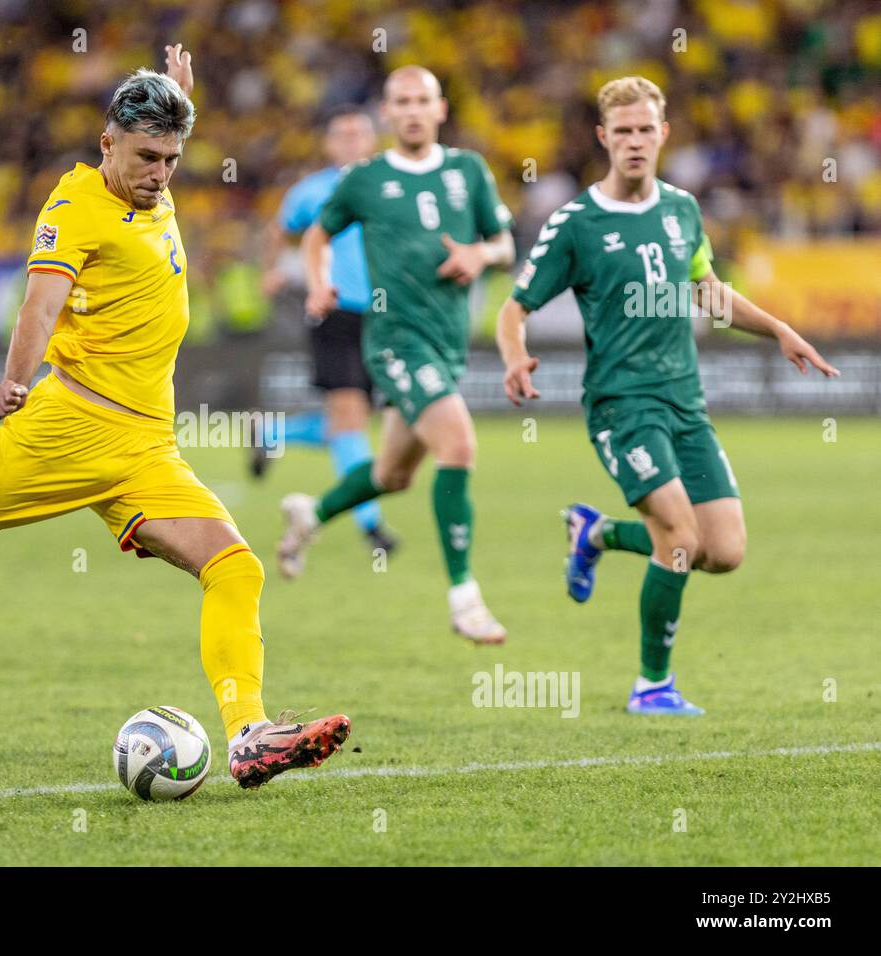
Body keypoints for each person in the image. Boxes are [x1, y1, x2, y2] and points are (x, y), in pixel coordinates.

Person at [0, 46, 349, 787]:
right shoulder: (75, 206)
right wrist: (12, 384)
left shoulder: (152, 176)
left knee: (234, 567)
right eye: (147, 157)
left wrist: (177, 91)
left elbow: (164, 125)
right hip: (68, 430)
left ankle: (248, 733)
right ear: (106, 140)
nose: (161, 175)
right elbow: (40, 305)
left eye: (173, 160)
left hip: (146, 444)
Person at [496, 76, 839, 714]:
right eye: (621, 131)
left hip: (686, 404)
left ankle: (593, 535)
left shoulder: (682, 208)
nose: (633, 141)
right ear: (603, 137)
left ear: (663, 134)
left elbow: (707, 290)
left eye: (644, 129)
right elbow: (514, 308)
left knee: (723, 551)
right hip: (623, 408)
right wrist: (515, 357)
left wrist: (779, 330)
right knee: (679, 537)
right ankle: (652, 684)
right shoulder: (577, 223)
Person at [278, 65, 516, 645]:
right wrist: (317, 282)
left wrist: (479, 257)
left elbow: (505, 243)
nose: (412, 110)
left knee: (392, 474)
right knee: (457, 445)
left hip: (446, 342)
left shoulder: (469, 172)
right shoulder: (366, 179)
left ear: (440, 109)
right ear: (387, 114)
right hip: (394, 342)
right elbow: (317, 232)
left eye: (423, 100)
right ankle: (465, 597)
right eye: (401, 101)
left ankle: (312, 513)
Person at [256, 105, 398, 557]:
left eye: (359, 133)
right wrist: (272, 270)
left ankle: (273, 435)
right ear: (330, 143)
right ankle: (371, 526)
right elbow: (277, 229)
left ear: (372, 140)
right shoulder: (311, 191)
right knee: (351, 417)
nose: (351, 141)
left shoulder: (391, 183)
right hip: (332, 309)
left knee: (349, 422)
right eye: (342, 135)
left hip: (384, 314)